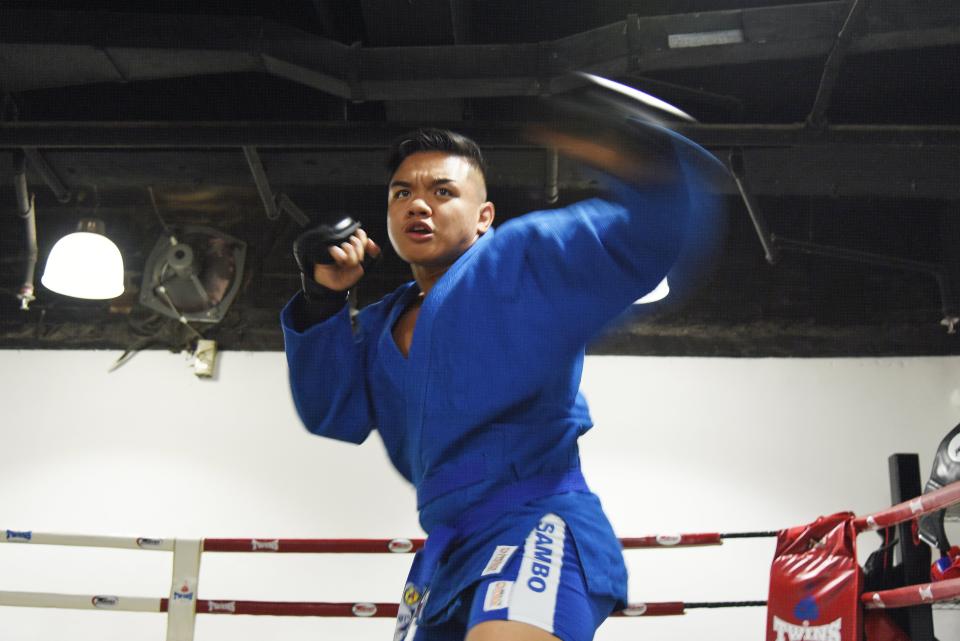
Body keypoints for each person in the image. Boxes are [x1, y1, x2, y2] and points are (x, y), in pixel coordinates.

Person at [281, 119, 716, 640]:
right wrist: (323, 299)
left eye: (443, 192)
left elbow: (646, 236)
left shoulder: (520, 260)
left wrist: (641, 158)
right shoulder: (377, 325)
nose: (418, 205)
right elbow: (332, 412)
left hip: (534, 522)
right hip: (447, 551)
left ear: (484, 216)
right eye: (403, 193)